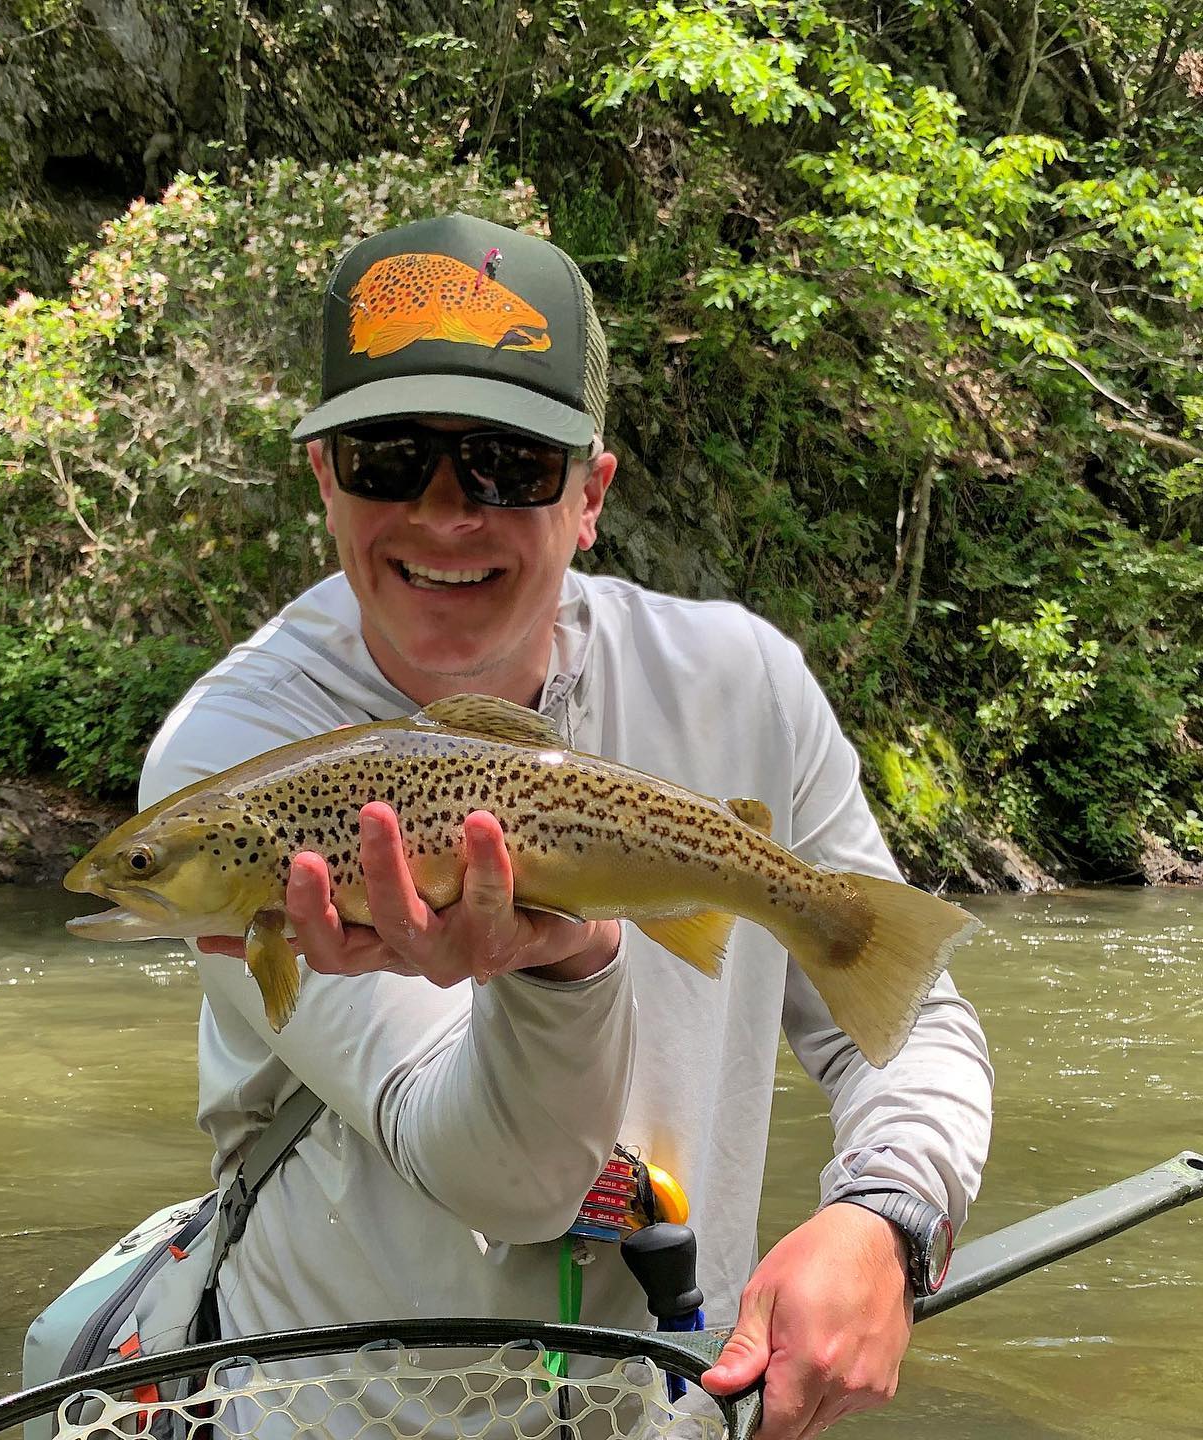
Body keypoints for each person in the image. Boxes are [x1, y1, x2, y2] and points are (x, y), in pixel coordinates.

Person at [139, 213, 993, 1439]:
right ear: (322, 478)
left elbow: (906, 1023)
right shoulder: (241, 772)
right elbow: (509, 1176)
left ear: (589, 494)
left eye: (505, 466)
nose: (445, 513)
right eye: (388, 457)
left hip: (678, 1399)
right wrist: (572, 962)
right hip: (335, 1411)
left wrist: (888, 1221)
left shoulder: (741, 684)